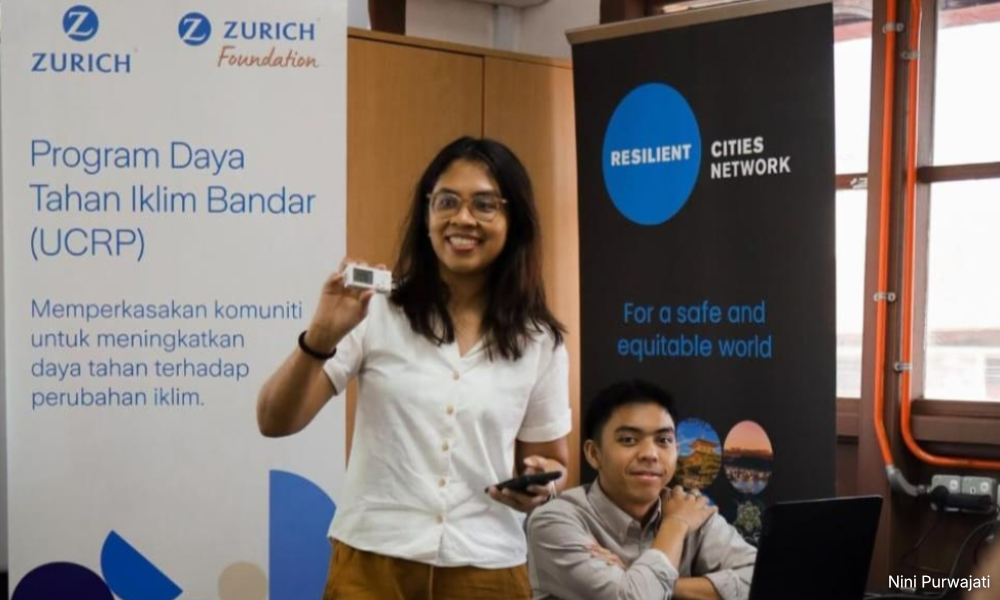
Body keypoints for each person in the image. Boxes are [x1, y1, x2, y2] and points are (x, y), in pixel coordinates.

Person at [256, 136, 571, 600]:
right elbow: (274, 421)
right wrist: (319, 338)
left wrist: (543, 484)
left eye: (485, 204)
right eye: (447, 201)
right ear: (427, 214)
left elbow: (553, 462)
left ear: (514, 221)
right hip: (373, 563)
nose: (462, 218)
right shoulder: (375, 310)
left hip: (487, 567)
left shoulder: (539, 340)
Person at [527, 380, 756, 600]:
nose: (650, 454)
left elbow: (762, 581)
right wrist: (675, 525)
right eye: (628, 440)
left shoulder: (691, 510)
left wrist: (651, 581)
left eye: (663, 440)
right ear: (594, 454)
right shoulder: (553, 522)